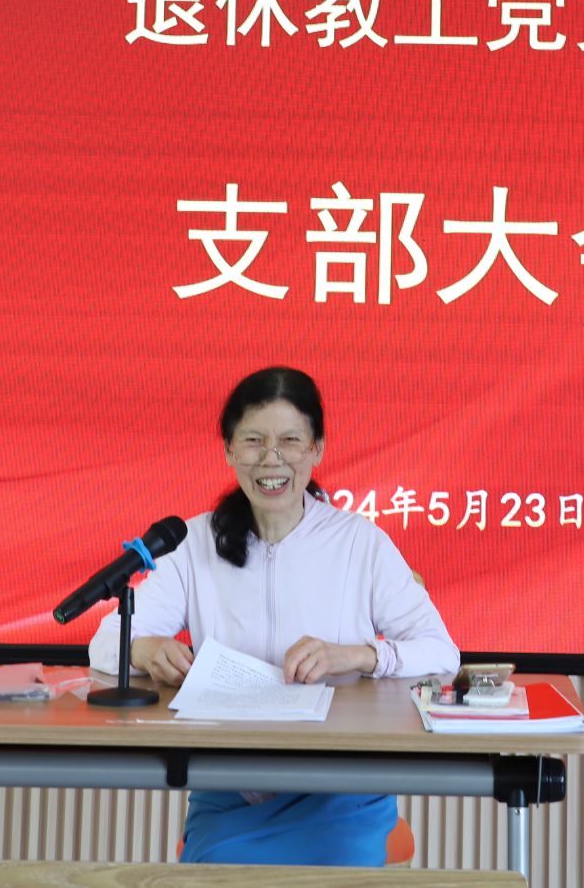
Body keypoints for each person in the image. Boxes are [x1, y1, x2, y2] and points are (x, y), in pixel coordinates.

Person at [89, 366, 460, 866]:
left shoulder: (359, 542)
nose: (271, 459)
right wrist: (144, 648)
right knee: (216, 870)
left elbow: (442, 654)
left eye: (289, 441)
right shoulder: (193, 543)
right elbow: (104, 643)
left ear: (316, 449)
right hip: (230, 786)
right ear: (229, 450)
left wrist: (359, 655)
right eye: (253, 441)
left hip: (344, 782)